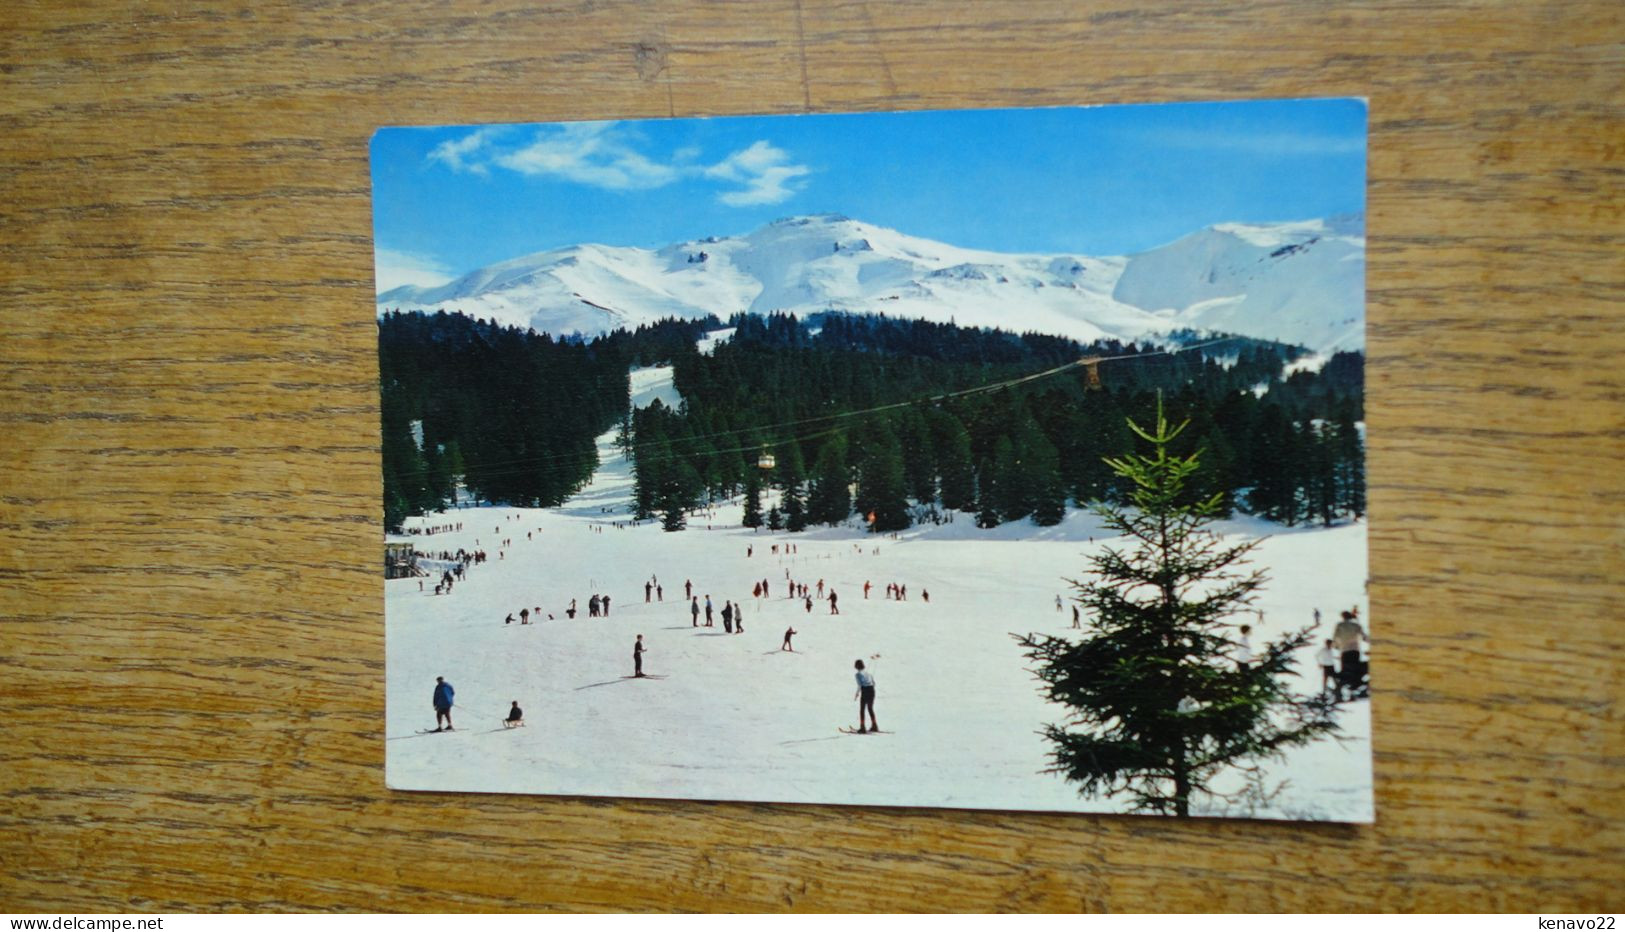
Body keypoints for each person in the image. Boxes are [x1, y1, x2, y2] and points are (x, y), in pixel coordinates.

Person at [853, 660, 878, 733]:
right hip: (872, 690)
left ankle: (862, 727)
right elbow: (874, 683)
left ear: (857, 666)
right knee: (870, 708)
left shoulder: (857, 674)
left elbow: (859, 685)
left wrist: (857, 694)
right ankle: (874, 726)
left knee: (862, 709)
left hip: (865, 691)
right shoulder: (869, 674)